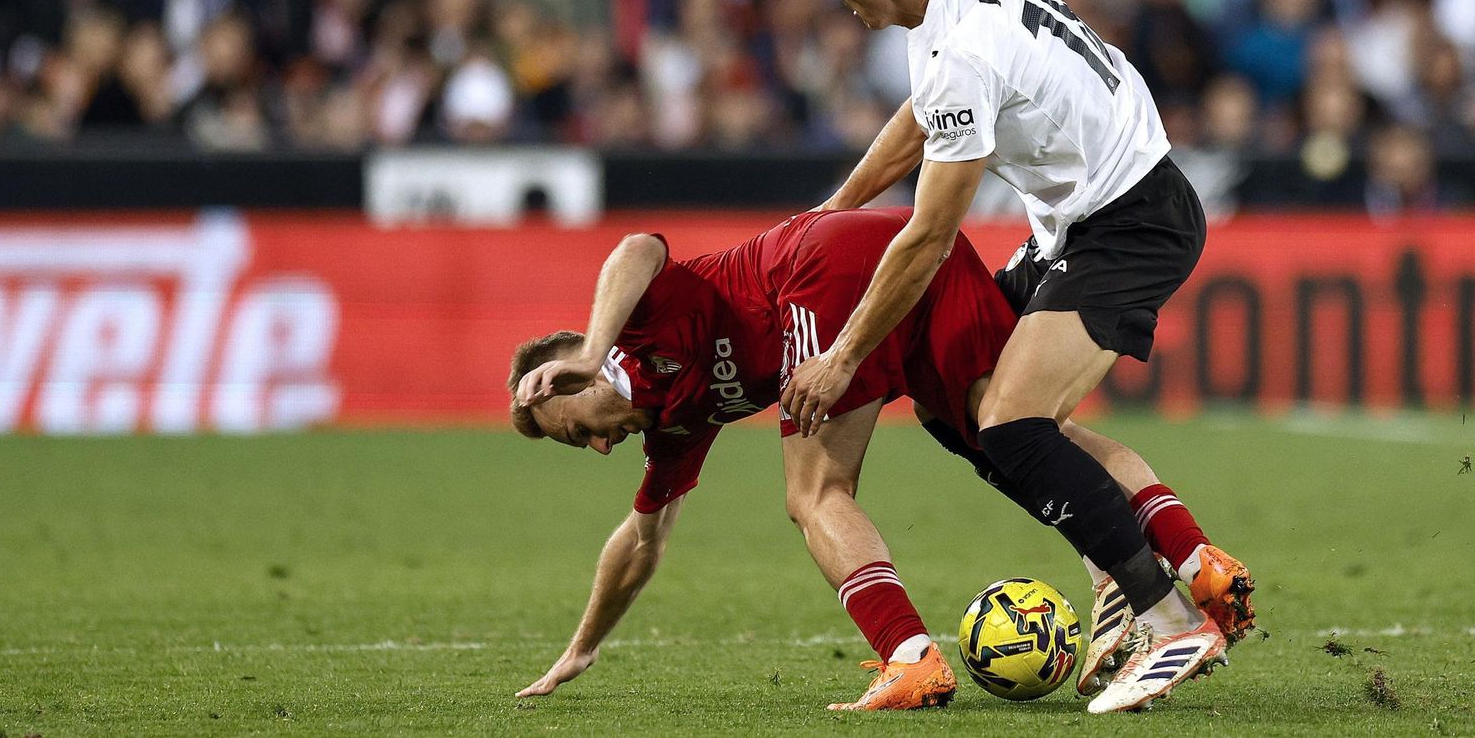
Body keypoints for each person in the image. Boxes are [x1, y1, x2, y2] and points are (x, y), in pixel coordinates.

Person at [782, 0, 1253, 713]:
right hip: (1085, 217)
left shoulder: (965, 48)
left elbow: (928, 238)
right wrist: (835, 210)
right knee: (953, 400)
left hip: (1131, 223)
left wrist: (843, 355)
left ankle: (1169, 614)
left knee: (1010, 421)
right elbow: (923, 115)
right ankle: (1166, 560)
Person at [509, 208, 1248, 710]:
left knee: (815, 490)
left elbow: (638, 246)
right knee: (1012, 429)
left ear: (574, 365)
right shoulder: (672, 422)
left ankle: (909, 656)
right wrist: (582, 648)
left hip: (823, 272)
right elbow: (641, 541)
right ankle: (1195, 562)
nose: (603, 446)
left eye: (580, 431)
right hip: (915, 248)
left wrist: (595, 351)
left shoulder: (634, 332)